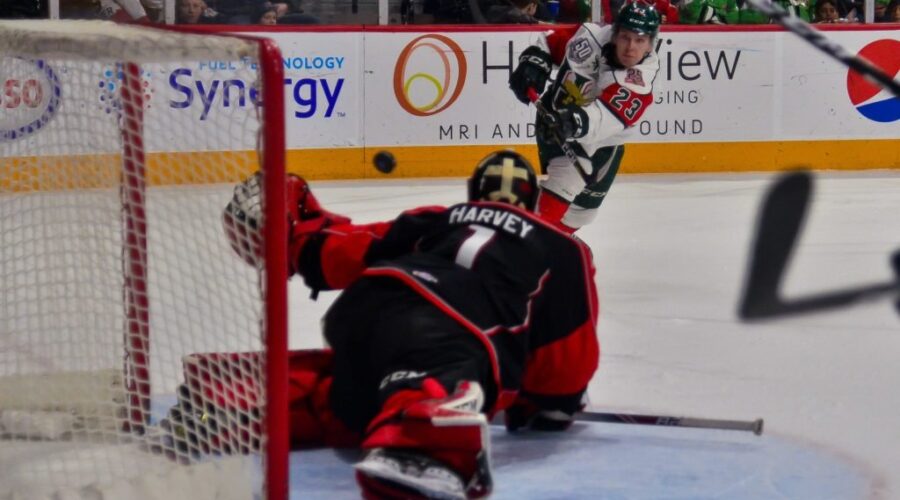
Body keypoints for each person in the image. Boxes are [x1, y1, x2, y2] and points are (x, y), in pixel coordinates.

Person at [166, 150, 600, 499]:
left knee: (347, 397)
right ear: (531, 203)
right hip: (449, 330)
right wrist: (548, 405)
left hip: (368, 304)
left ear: (473, 194)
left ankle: (221, 399)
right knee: (437, 373)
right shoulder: (562, 248)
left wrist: (297, 236)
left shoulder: (440, 218)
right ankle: (424, 440)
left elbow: (343, 249)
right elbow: (567, 357)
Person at [508, 0, 661, 233]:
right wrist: (534, 61)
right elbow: (549, 41)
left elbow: (603, 119)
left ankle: (551, 246)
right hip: (552, 121)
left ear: (651, 44)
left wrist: (574, 122)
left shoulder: (640, 82)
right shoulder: (589, 36)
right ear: (614, 34)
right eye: (625, 37)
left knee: (580, 215)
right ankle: (525, 248)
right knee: (562, 190)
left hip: (597, 143)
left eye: (639, 40)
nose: (630, 47)